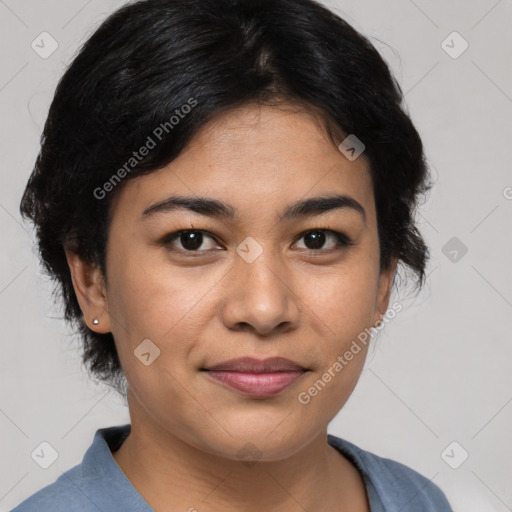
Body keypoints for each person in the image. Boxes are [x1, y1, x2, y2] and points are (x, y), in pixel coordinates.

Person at [12, 0, 454, 510]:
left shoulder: (421, 501)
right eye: (192, 240)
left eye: (317, 239)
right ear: (92, 279)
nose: (264, 309)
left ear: (384, 276)